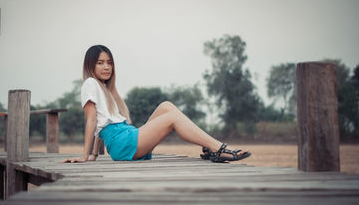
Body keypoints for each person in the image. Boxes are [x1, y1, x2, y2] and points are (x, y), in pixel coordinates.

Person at [62, 45, 251, 163]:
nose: (106, 67)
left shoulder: (104, 89)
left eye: (109, 62)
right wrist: (85, 156)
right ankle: (218, 148)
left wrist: (95, 155)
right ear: (90, 65)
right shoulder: (90, 84)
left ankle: (211, 149)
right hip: (122, 143)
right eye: (100, 63)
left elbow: (102, 122)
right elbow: (92, 121)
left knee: (166, 106)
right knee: (173, 117)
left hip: (126, 137)